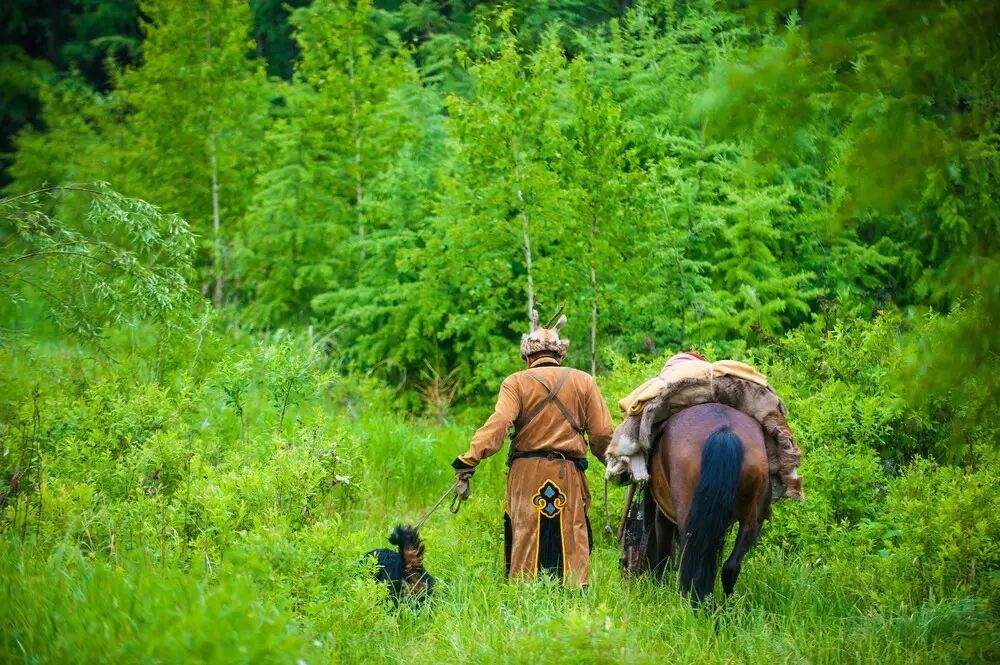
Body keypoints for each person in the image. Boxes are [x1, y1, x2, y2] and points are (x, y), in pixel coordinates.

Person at [451, 309, 613, 586]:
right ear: (561, 355)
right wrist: (614, 463)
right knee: (572, 533)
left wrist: (469, 460)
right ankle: (574, 591)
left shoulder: (515, 382)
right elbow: (601, 434)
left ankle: (525, 592)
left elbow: (500, 422)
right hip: (568, 473)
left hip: (526, 474)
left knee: (525, 530)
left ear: (526, 356)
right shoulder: (583, 380)